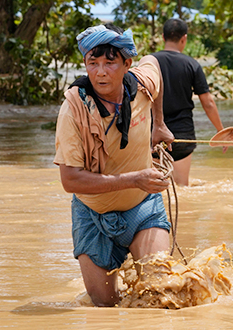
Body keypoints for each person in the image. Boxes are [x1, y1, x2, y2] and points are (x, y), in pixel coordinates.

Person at [54, 23, 175, 306]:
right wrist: (134, 178)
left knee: (160, 294)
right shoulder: (74, 108)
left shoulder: (142, 84)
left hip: (143, 207)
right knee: (104, 307)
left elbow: (154, 63)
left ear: (126, 64)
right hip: (93, 213)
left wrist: (159, 123)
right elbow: (69, 180)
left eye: (110, 62)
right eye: (92, 63)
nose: (100, 72)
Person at [153, 18, 224, 186]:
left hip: (153, 133)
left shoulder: (149, 62)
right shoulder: (192, 64)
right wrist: (221, 131)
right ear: (184, 38)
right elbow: (208, 103)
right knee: (182, 187)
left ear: (163, 37)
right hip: (182, 135)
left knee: (155, 188)